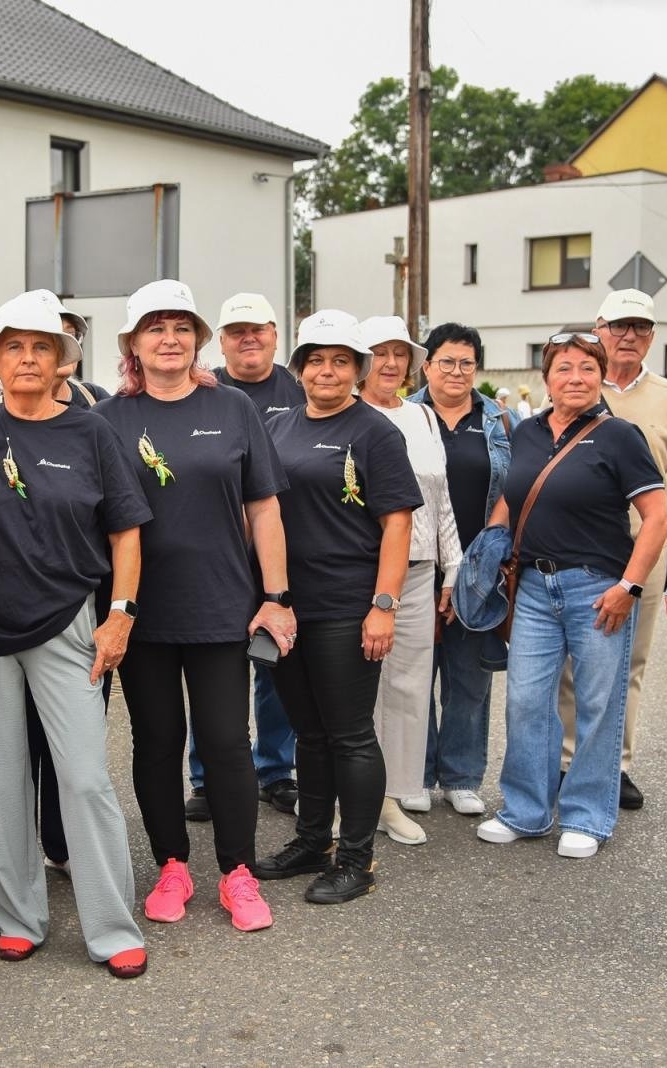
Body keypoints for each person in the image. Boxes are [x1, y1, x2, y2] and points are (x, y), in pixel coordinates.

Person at [0, 290, 151, 978]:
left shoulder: (92, 433)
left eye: (41, 347)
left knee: (86, 778)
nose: (27, 358)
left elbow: (126, 533)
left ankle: (111, 926)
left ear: (61, 361)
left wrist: (120, 614)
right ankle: (17, 917)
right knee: (1, 781)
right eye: (14, 347)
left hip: (69, 624)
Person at [96, 280, 293, 932]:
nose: (170, 339)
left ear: (198, 340)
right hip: (141, 614)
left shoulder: (233, 408)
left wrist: (276, 598)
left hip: (219, 604)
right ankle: (172, 865)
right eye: (155, 328)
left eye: (182, 328)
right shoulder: (109, 421)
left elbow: (263, 507)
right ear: (132, 343)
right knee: (155, 742)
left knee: (227, 743)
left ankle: (237, 871)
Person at [475, 331, 667, 859]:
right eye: (564, 368)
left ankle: (587, 816)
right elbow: (510, 502)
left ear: (601, 375)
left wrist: (629, 586)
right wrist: (490, 553)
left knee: (598, 704)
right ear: (547, 378)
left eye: (587, 367)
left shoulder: (619, 436)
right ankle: (525, 810)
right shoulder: (527, 432)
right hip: (534, 587)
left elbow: (657, 517)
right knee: (526, 701)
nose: (576, 378)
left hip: (598, 589)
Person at [252, 310, 421, 904]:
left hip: (348, 606)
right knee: (309, 732)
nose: (328, 371)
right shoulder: (277, 427)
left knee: (349, 734)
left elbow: (397, 523)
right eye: (317, 360)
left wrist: (384, 605)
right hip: (287, 609)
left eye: (341, 360)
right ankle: (311, 841)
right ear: (298, 370)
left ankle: (356, 859)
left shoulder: (375, 432)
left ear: (359, 370)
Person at [559, 290, 667, 811]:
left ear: (652, 337)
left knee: (628, 662)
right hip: (578, 545)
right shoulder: (577, 386)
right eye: (619, 327)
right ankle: (570, 761)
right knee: (572, 662)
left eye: (640, 328)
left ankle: (614, 765)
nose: (629, 337)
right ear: (599, 329)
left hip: (645, 547)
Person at [185, 292, 307, 820]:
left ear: (276, 333)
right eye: (236, 331)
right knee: (211, 666)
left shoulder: (299, 389)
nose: (248, 339)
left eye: (257, 329)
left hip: (282, 550)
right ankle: (207, 775)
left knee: (275, 664)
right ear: (221, 340)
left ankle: (275, 770)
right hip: (216, 557)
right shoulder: (202, 389)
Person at [355, 316, 462, 845]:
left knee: (408, 688)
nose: (391, 363)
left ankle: (391, 798)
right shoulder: (346, 414)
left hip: (419, 573)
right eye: (379, 352)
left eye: (400, 353)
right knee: (356, 692)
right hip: (360, 573)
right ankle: (347, 796)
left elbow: (440, 500)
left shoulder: (422, 416)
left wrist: (452, 569)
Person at [407, 325, 511, 817]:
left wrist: (489, 557)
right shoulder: (405, 417)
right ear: (426, 366)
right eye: (445, 361)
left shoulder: (497, 421)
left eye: (466, 363)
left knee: (470, 676)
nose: (456, 371)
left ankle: (463, 776)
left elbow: (512, 491)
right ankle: (418, 773)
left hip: (478, 567)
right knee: (414, 673)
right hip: (416, 562)